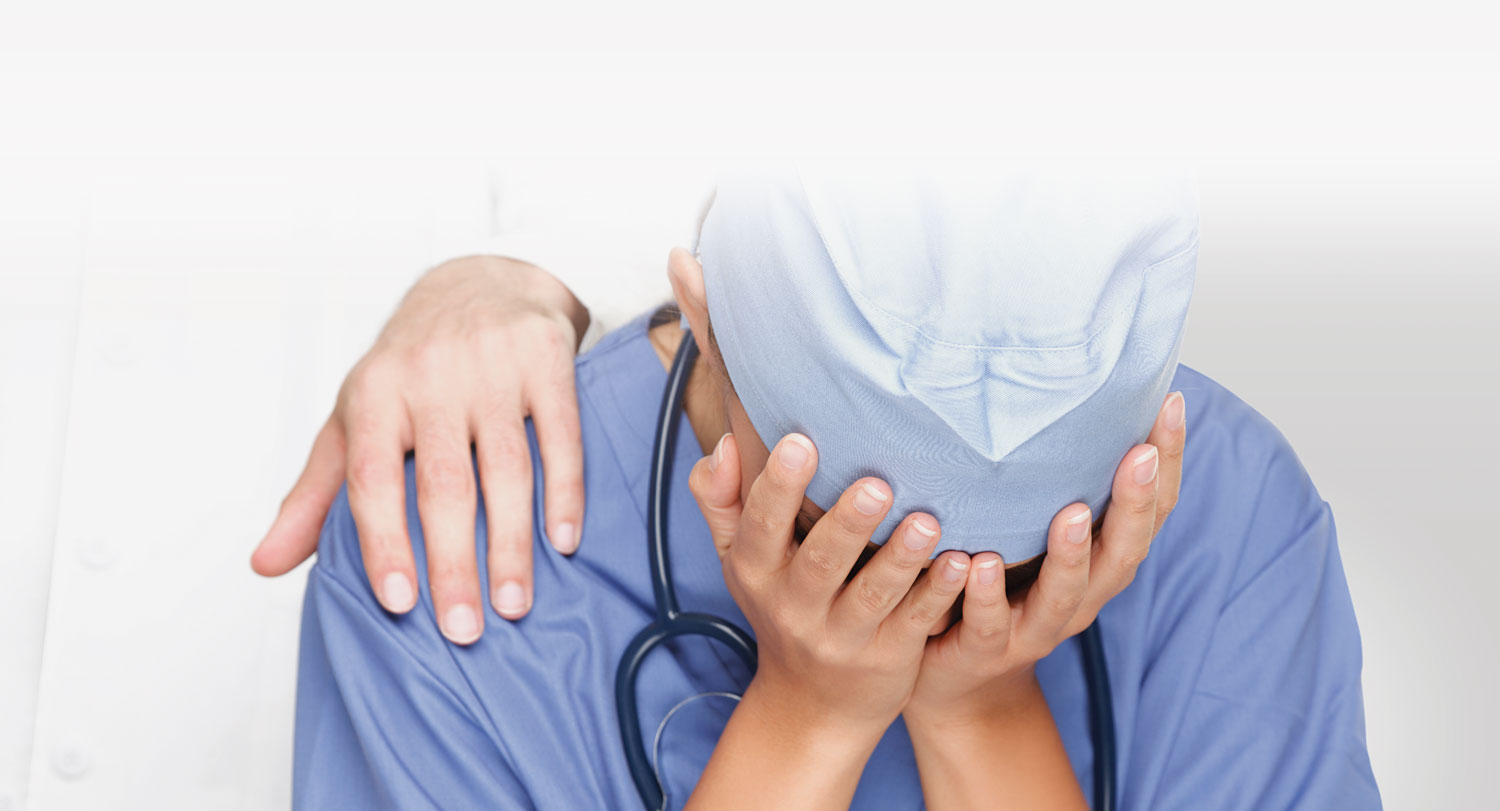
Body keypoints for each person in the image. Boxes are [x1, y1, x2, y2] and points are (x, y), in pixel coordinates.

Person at [290, 168, 1381, 808]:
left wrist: (982, 705)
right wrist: (806, 717)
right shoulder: (456, 558)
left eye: (1018, 559)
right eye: (840, 532)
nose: (934, 588)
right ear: (706, 320)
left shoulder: (1237, 525)